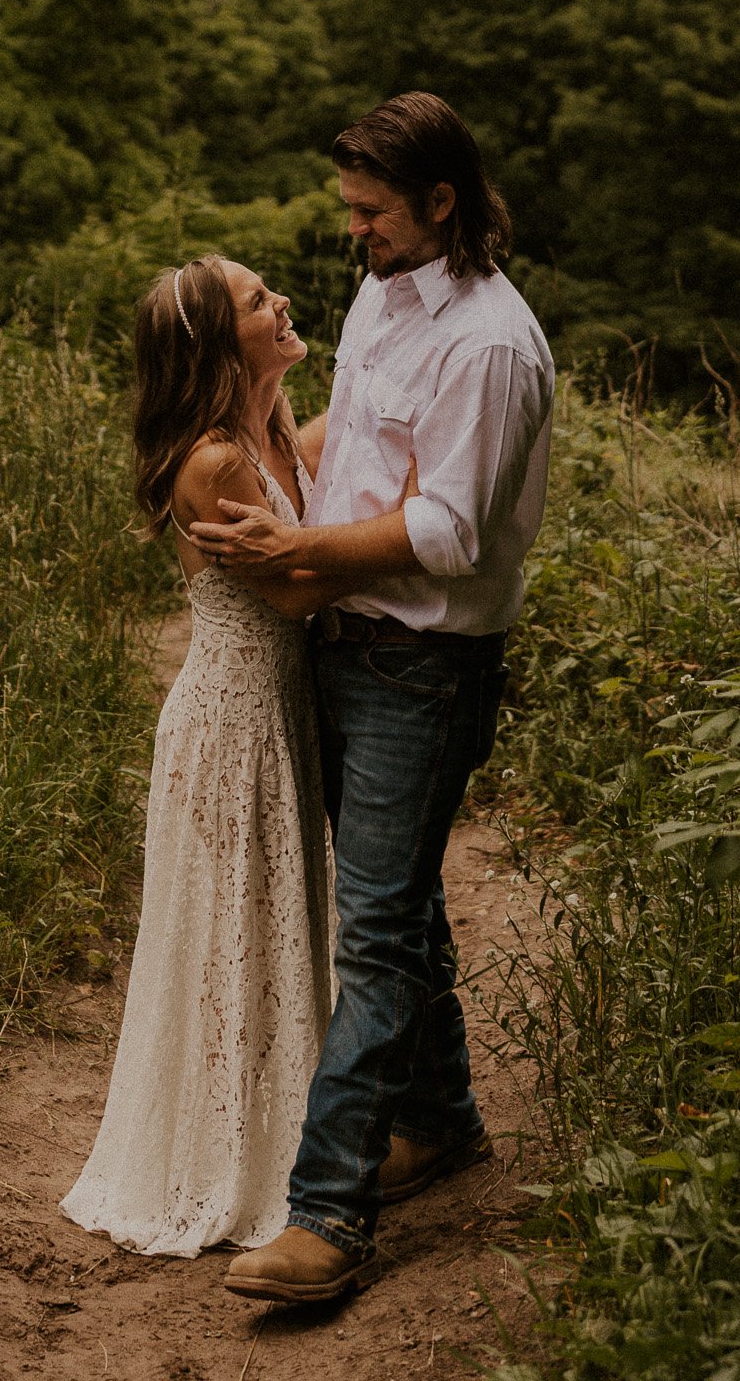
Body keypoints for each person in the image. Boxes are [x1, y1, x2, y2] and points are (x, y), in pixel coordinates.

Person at [192, 92, 556, 1307]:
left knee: (378, 934)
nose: (352, 231)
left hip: (422, 665)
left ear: (441, 203)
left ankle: (328, 1215)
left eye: (372, 210)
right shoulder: (381, 297)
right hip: (345, 648)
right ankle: (442, 1124)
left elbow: (450, 533)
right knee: (392, 904)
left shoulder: (492, 344)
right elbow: (349, 442)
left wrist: (297, 560)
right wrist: (255, 483)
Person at [60, 254, 364, 1253]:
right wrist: (413, 523)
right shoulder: (212, 463)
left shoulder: (265, 436)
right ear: (217, 345)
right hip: (232, 727)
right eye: (255, 300)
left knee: (274, 924)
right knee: (231, 934)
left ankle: (287, 1131)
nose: (280, 303)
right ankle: (231, 1155)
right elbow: (298, 590)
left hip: (276, 717)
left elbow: (326, 457)